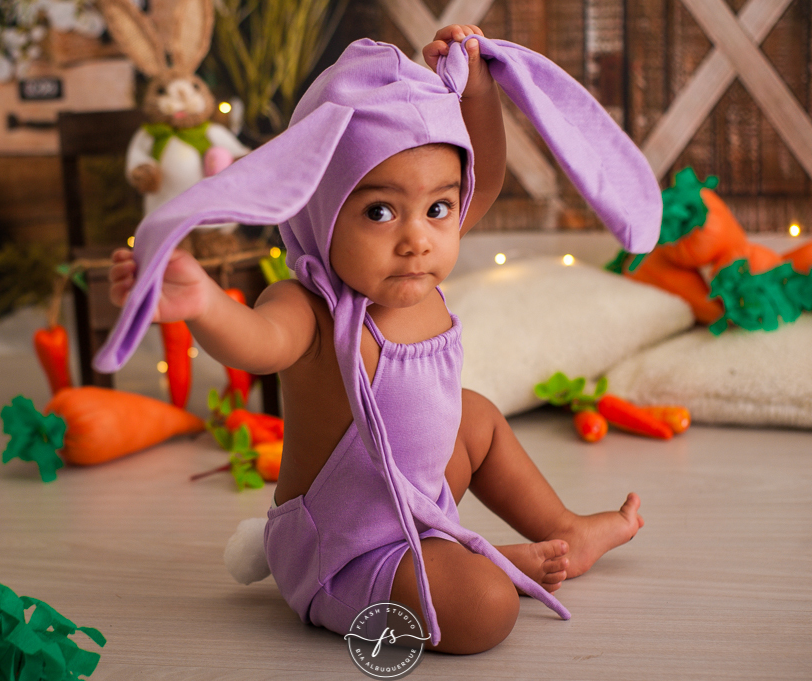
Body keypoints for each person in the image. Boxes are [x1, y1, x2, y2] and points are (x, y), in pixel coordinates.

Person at [104, 25, 659, 654]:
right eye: (379, 212)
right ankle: (484, 566)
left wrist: (476, 87)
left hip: (413, 497)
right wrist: (202, 303)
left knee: (473, 416)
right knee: (486, 610)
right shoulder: (310, 306)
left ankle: (562, 529)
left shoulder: (417, 272)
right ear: (319, 207)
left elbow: (488, 174)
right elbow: (255, 342)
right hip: (345, 547)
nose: (417, 239)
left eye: (438, 209)